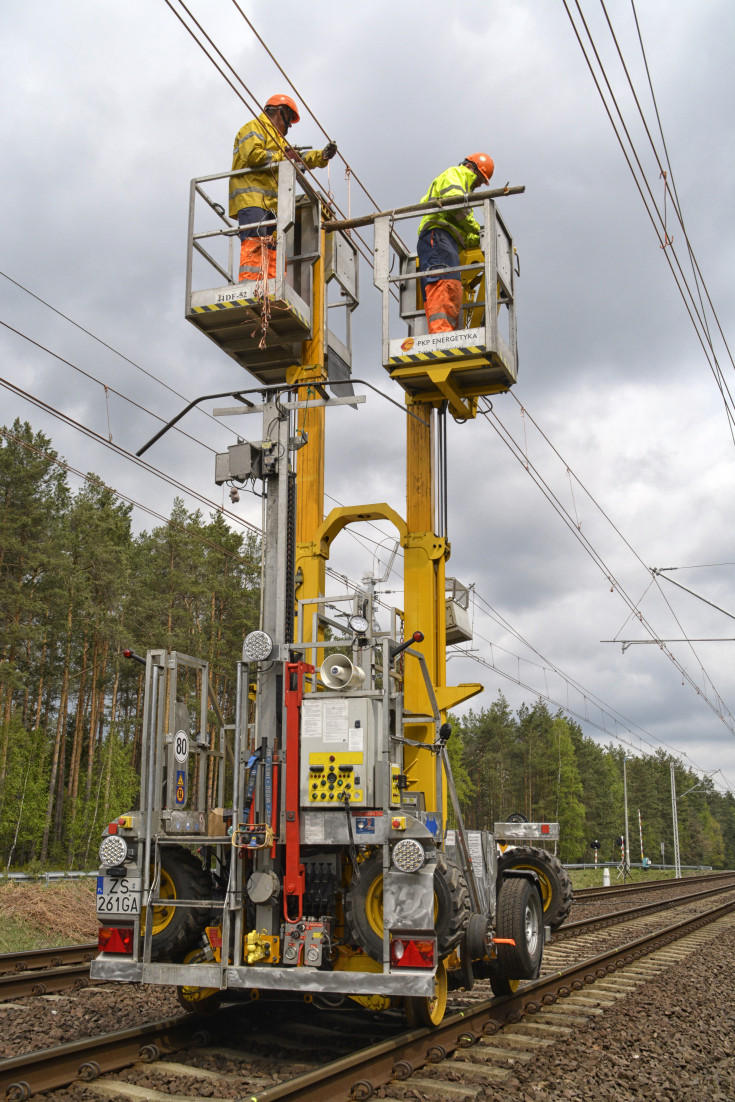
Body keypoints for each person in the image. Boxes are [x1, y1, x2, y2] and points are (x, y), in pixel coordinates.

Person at [229, 94, 337, 283]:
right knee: (255, 241)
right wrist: (284, 156)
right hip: (251, 198)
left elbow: (297, 157)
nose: (290, 127)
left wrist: (322, 156)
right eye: (290, 120)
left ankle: (271, 286)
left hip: (270, 204)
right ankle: (250, 284)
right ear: (281, 112)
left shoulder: (278, 141)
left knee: (272, 246)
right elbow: (254, 156)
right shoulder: (254, 128)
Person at [416, 153, 494, 333]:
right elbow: (456, 205)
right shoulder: (455, 174)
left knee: (449, 286)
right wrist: (477, 229)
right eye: (480, 179)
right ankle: (441, 332)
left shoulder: (462, 189)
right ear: (469, 167)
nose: (479, 185)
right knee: (443, 284)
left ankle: (444, 332)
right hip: (438, 237)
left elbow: (462, 230)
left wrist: (478, 237)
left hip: (444, 239)